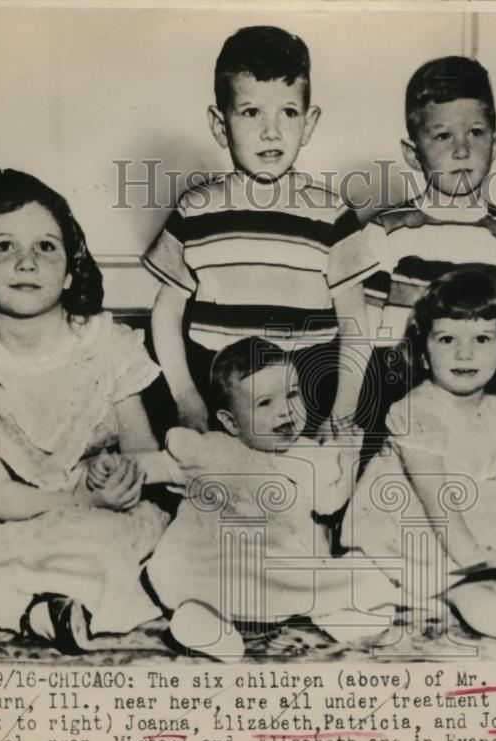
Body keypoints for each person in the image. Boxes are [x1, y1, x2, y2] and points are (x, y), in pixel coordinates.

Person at [0, 152, 170, 653]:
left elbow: (142, 452)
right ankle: (28, 608)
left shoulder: (106, 346)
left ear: (68, 273)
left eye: (45, 246)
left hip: (95, 512)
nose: (26, 261)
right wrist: (74, 500)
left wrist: (120, 477)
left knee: (121, 541)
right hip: (9, 509)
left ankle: (57, 597)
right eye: (3, 246)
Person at [143, 26, 377, 437]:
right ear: (220, 125)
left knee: (310, 488)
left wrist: (343, 409)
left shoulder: (330, 214)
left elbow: (356, 320)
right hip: (218, 387)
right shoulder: (195, 211)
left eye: (288, 112)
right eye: (251, 112)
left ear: (308, 123)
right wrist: (185, 396)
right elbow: (166, 312)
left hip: (304, 388)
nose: (272, 131)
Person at [342, 269, 496, 660]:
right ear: (423, 351)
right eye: (447, 339)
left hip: (476, 508)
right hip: (415, 517)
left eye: (482, 339)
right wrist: (472, 557)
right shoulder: (417, 412)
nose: (464, 353)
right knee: (462, 583)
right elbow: (437, 505)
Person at [140, 337, 399, 662]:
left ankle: (327, 610)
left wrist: (348, 456)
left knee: (358, 574)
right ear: (231, 422)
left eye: (292, 394)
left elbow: (331, 502)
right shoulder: (210, 450)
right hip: (214, 564)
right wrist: (114, 471)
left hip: (278, 566)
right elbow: (154, 467)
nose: (285, 410)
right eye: (265, 403)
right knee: (198, 583)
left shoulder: (307, 455)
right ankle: (205, 623)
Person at [354, 56, 496, 436]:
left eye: (476, 133)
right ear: (413, 154)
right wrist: (409, 351)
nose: (462, 150)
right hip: (403, 396)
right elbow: (362, 325)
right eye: (443, 135)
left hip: (482, 396)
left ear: (495, 142)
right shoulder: (388, 231)